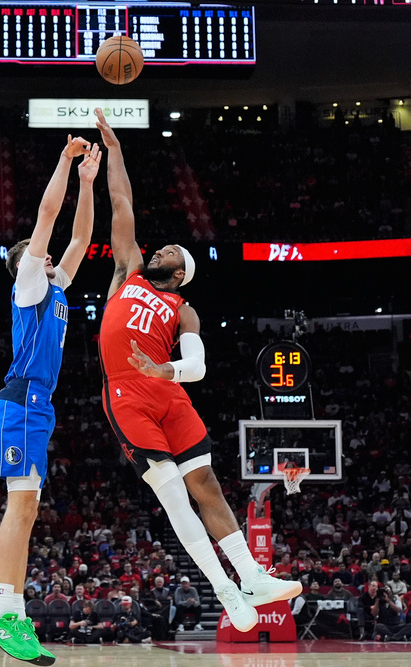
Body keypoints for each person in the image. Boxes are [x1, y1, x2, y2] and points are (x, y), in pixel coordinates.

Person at [92, 107, 300, 635]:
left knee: (205, 481)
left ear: (181, 271)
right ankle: (225, 588)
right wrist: (115, 150)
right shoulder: (128, 273)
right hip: (128, 395)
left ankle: (251, 575)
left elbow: (199, 368)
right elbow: (121, 203)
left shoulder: (185, 310)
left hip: (168, 391)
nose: (156, 249)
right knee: (173, 495)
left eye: (167, 251)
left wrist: (166, 370)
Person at [0, 136, 102, 667]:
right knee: (21, 507)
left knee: (27, 511)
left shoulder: (56, 287)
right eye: (35, 247)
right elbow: (50, 215)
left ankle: (11, 610)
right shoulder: (29, 282)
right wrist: (64, 161)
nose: (46, 249)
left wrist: (89, 183)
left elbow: (80, 235)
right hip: (23, 401)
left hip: (38, 406)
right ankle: (4, 610)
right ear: (25, 260)